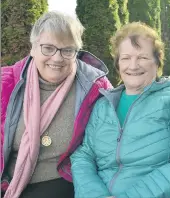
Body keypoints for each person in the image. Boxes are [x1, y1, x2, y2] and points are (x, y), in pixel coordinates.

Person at [70, 22, 170, 198]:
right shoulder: (103, 105)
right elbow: (84, 155)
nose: (133, 66)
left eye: (142, 57)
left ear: (157, 62)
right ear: (118, 64)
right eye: (125, 58)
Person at [1, 11, 112, 198]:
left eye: (67, 50)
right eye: (48, 48)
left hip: (62, 182)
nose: (57, 58)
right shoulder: (5, 83)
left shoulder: (96, 86)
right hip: (9, 183)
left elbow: (113, 142)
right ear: (33, 48)